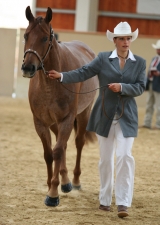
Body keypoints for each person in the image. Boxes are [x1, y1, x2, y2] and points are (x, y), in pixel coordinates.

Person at [48, 22, 146, 218]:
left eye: (128, 38)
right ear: (115, 41)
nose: (126, 42)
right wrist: (61, 76)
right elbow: (83, 72)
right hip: (104, 116)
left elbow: (141, 87)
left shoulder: (140, 62)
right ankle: (104, 200)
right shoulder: (102, 59)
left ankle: (123, 203)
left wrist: (123, 87)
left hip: (128, 118)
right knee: (106, 160)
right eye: (122, 39)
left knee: (125, 157)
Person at [142, 40, 160, 129]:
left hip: (159, 85)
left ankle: (158, 124)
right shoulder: (154, 59)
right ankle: (147, 123)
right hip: (152, 84)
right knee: (149, 104)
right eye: (157, 49)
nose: (158, 50)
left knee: (159, 106)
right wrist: (146, 84)